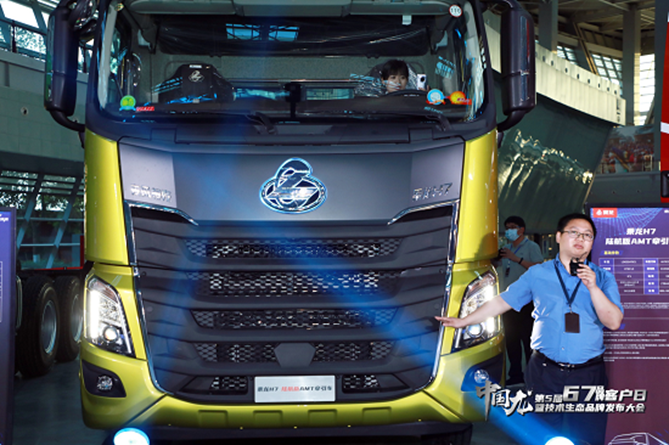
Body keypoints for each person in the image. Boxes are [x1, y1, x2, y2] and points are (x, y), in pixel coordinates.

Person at [436, 213, 623, 445]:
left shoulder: (603, 278)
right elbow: (503, 301)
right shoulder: (538, 273)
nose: (581, 239)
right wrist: (465, 321)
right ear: (558, 236)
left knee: (588, 437)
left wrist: (593, 287)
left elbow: (613, 321)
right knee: (542, 435)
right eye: (574, 232)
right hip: (545, 371)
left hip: (588, 373)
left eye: (587, 235)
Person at [494, 216, 543, 386]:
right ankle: (515, 374)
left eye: (513, 227)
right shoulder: (506, 248)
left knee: (528, 338)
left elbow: (538, 268)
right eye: (507, 227)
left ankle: (532, 375)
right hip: (508, 300)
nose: (509, 231)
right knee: (511, 339)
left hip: (527, 300)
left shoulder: (532, 247)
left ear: (521, 230)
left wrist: (517, 259)